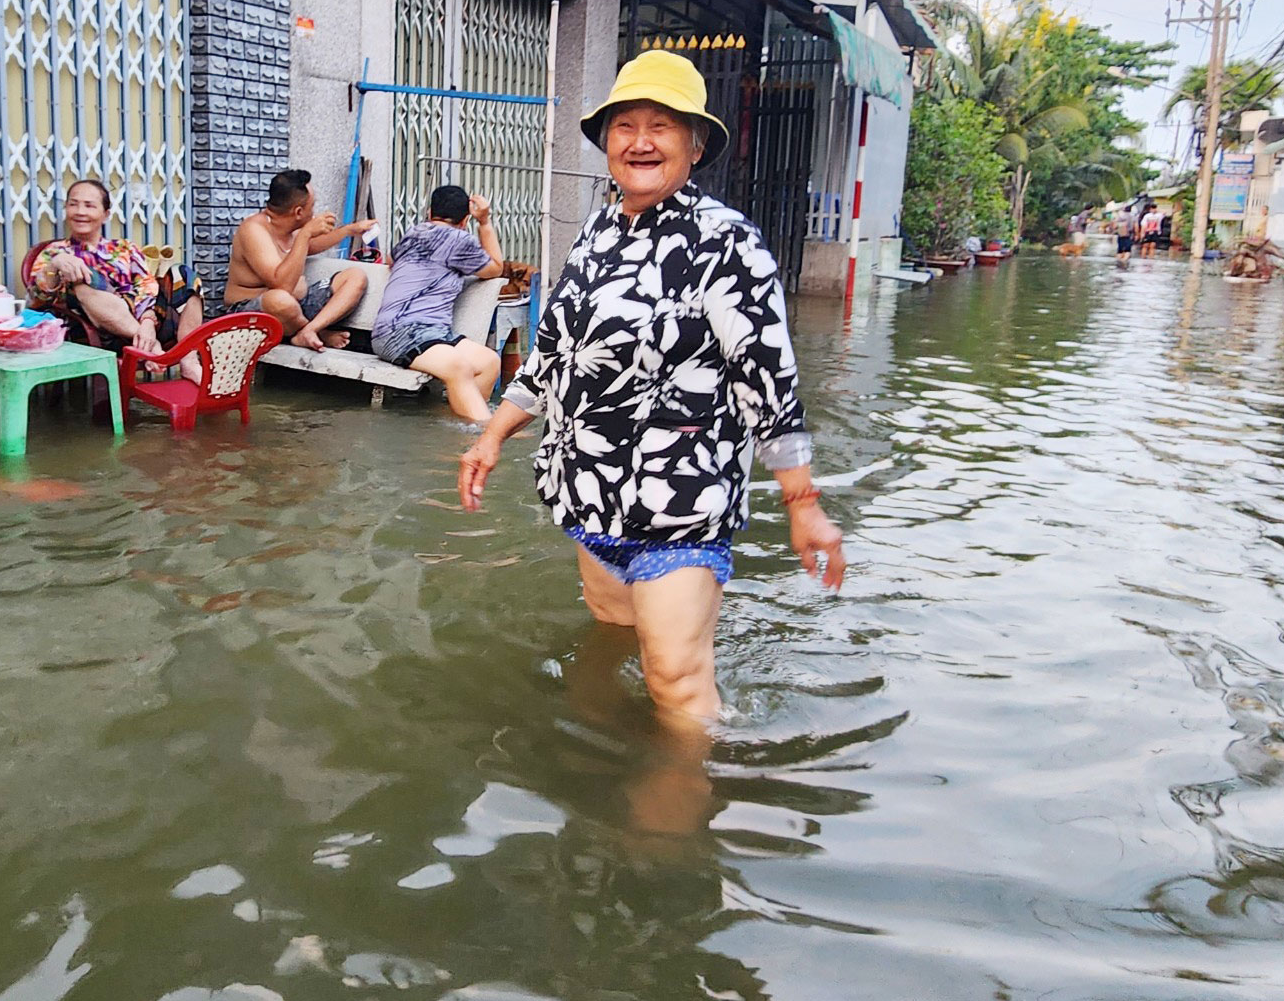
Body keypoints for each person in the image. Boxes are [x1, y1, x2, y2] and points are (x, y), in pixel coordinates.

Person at [457, 49, 847, 732]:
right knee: (612, 633)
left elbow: (768, 378)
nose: (640, 141)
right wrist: (491, 435)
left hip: (681, 501)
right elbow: (554, 352)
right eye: (624, 125)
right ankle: (603, 760)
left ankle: (674, 829)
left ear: (694, 145)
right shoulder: (598, 233)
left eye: (662, 126)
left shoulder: (727, 243)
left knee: (675, 679)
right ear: (607, 141)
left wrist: (803, 503)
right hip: (591, 492)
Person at [24, 179, 203, 380]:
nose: (80, 211)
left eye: (89, 205)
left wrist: (147, 323)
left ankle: (189, 360)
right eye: (73, 204)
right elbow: (36, 299)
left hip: (146, 324)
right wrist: (55, 265)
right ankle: (150, 346)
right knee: (83, 278)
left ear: (105, 214)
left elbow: (146, 285)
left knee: (183, 274)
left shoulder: (124, 248)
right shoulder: (56, 252)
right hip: (95, 334)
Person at [371, 184, 504, 422]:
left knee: (489, 362)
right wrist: (484, 222)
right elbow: (496, 268)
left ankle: (460, 422)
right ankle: (483, 432)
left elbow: (391, 260)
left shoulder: (414, 232)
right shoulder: (460, 240)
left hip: (431, 332)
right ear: (465, 220)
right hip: (399, 333)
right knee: (458, 366)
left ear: (430, 211)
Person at [220, 168, 372, 350]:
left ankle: (309, 330)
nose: (314, 213)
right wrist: (305, 234)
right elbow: (282, 286)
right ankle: (317, 333)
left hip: (295, 309)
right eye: (312, 206)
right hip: (255, 312)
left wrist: (349, 230)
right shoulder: (254, 230)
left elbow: (312, 245)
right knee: (280, 299)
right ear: (298, 212)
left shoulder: (288, 225)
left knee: (355, 276)